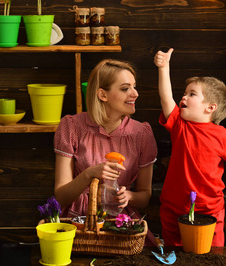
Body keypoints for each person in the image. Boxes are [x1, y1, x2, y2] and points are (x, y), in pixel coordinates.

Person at [53, 59, 157, 244]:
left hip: (119, 223)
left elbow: (144, 197)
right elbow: (61, 196)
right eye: (125, 88)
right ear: (102, 94)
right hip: (77, 222)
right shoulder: (71, 127)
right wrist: (89, 174)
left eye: (134, 87)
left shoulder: (142, 133)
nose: (135, 93)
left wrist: (129, 197)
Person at [154, 48, 226, 246]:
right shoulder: (180, 125)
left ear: (210, 107)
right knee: (174, 249)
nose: (184, 97)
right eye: (185, 93)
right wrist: (163, 67)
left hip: (209, 207)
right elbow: (166, 98)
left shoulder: (223, 135)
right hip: (174, 205)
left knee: (212, 251)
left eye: (192, 94)